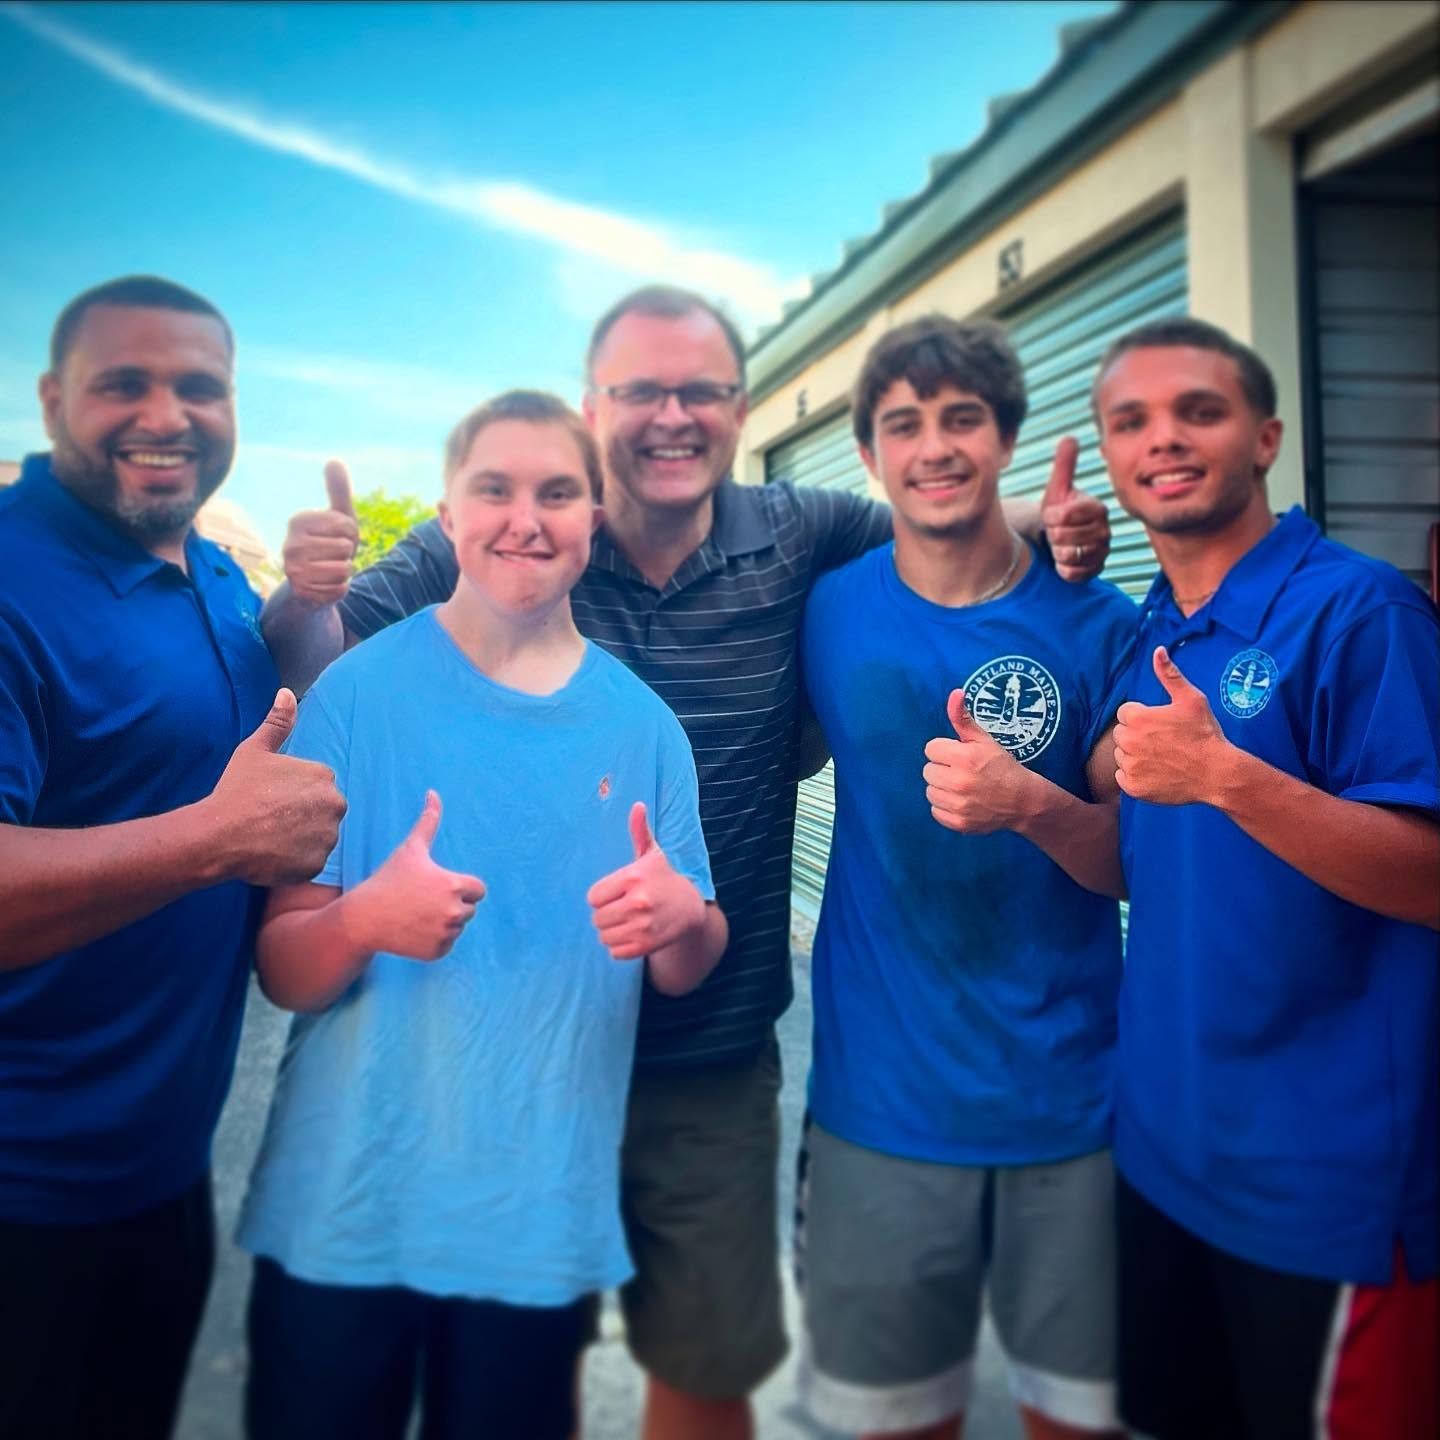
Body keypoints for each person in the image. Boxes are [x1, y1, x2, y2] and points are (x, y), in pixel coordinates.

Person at [261, 284, 1112, 1440]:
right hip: (503, 1061)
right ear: (591, 407)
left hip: (704, 1062)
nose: (672, 416)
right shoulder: (524, 526)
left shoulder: (804, 533)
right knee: (486, 1374)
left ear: (740, 410)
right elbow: (324, 661)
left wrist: (1052, 529)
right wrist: (300, 602)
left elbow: (944, 524)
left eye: (701, 391)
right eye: (641, 391)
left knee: (699, 1374)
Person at [236, 390, 723, 1440]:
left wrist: (682, 918)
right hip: (344, 1211)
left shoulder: (645, 729)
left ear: (597, 518)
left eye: (558, 492)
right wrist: (362, 921)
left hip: (535, 1225)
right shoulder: (354, 695)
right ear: (447, 515)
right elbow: (284, 969)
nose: (526, 519)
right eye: (493, 489)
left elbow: (688, 960)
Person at [0, 275, 346, 1440]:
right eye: (124, 384)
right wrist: (217, 842)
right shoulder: (10, 580)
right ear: (53, 399)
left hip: (157, 1166)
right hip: (22, 1191)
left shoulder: (205, 568)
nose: (166, 414)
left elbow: (257, 699)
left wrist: (302, 609)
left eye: (199, 386)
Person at [1093, 317, 1439, 1440]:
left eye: (1199, 411)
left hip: (1323, 1189)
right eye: (1131, 421)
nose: (1163, 438)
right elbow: (1152, 862)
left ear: (1266, 439)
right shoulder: (1157, 622)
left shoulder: (1362, 612)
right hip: (1164, 1154)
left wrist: (1228, 778)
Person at [795, 316, 1134, 1440]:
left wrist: (1031, 806)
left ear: (1006, 438)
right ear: (868, 454)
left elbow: (1132, 865)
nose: (934, 446)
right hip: (879, 1109)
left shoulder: (1100, 623)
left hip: (1075, 1107)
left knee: (1080, 1418)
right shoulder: (825, 609)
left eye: (961, 419)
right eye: (904, 425)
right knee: (892, 1421)